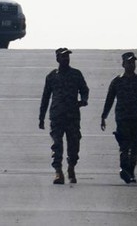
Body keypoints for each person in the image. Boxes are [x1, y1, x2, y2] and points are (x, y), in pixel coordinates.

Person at [100, 52, 137, 184]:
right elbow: (109, 100)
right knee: (124, 146)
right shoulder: (117, 82)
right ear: (123, 64)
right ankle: (124, 168)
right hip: (122, 118)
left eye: (133, 62)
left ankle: (131, 171)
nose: (131, 65)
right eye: (129, 62)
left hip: (136, 118)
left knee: (135, 146)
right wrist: (104, 116)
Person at [39, 47, 90, 184]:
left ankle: (71, 167)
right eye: (63, 56)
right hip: (57, 115)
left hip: (72, 116)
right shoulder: (51, 76)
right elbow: (45, 97)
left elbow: (84, 89)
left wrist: (84, 100)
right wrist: (41, 117)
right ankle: (58, 172)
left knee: (74, 144)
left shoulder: (76, 74)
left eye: (67, 56)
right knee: (57, 144)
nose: (66, 59)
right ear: (57, 59)